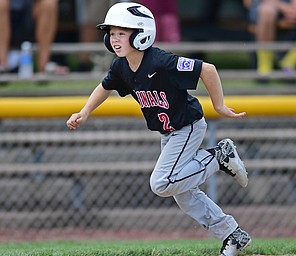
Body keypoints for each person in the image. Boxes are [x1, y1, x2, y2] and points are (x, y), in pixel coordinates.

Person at [66, 3, 251, 255]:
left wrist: (219, 105)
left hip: (187, 126)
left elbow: (207, 69)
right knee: (183, 195)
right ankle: (232, 234)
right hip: (169, 133)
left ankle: (218, 157)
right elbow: (105, 86)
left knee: (161, 183)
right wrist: (85, 112)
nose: (115, 39)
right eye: (112, 33)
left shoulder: (161, 60)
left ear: (141, 33)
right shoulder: (121, 66)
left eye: (122, 33)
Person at [247, 0, 296, 76]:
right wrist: (285, 8)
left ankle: (289, 63)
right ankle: (265, 66)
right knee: (267, 11)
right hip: (266, 4)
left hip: (295, 5)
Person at [0, 0, 58, 73]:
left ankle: (43, 66)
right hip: (7, 15)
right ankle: (2, 65)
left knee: (49, 3)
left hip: (31, 16)